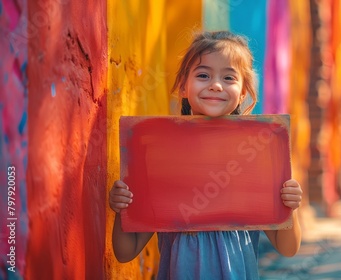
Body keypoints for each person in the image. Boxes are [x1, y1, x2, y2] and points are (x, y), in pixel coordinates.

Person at [109, 31, 303, 279]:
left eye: (229, 77)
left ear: (243, 92)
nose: (215, 84)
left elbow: (287, 247)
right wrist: (121, 208)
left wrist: (290, 206)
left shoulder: (256, 154)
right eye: (203, 75)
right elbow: (126, 251)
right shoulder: (161, 156)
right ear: (183, 86)